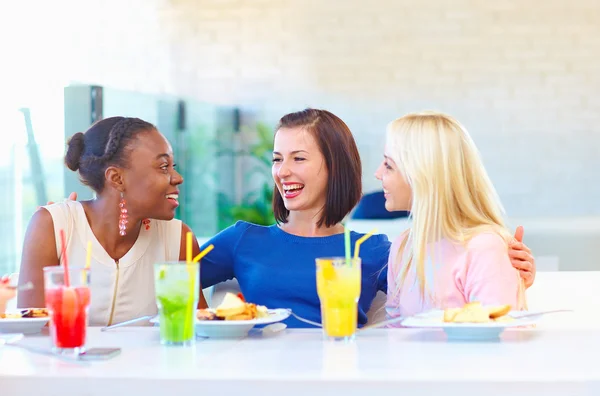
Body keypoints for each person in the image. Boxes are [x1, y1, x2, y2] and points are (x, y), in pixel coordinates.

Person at [199, 108, 536, 328]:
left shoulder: (375, 250)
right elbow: (170, 281)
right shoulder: (242, 240)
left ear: (335, 166)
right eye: (277, 159)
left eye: (298, 158)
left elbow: (439, 290)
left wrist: (517, 268)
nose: (283, 171)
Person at [17, 116, 207, 326]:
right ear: (117, 179)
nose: (177, 177)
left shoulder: (178, 239)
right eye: (163, 167)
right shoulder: (52, 226)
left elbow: (202, 330)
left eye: (173, 166)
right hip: (66, 358)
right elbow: (31, 331)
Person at [376, 111, 528, 322]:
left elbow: (501, 337)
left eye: (389, 165)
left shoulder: (484, 248)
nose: (377, 173)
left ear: (423, 175)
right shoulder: (403, 247)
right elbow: (395, 328)